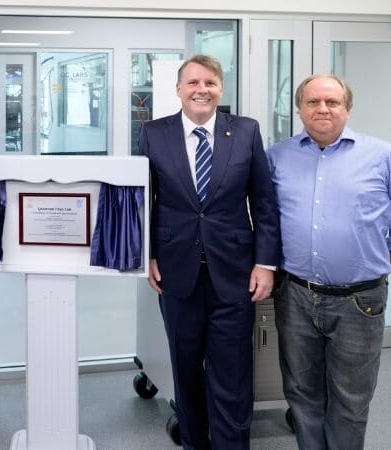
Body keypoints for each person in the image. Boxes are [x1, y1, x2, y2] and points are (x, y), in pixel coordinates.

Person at [267, 75, 391, 450]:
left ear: (348, 108)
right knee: (302, 394)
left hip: (360, 302)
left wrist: (371, 268)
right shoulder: (278, 157)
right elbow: (264, 217)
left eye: (332, 102)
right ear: (299, 109)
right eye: (313, 102)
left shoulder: (384, 155)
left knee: (351, 401)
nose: (322, 109)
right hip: (295, 296)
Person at [139, 54, 280, 449]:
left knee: (233, 370)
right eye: (193, 83)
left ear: (221, 89)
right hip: (176, 271)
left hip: (235, 273)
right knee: (185, 369)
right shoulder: (154, 134)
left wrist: (265, 264)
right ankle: (194, 442)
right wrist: (146, 254)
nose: (202, 90)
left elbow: (264, 203)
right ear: (179, 89)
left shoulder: (246, 132)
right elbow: (144, 201)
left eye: (210, 83)